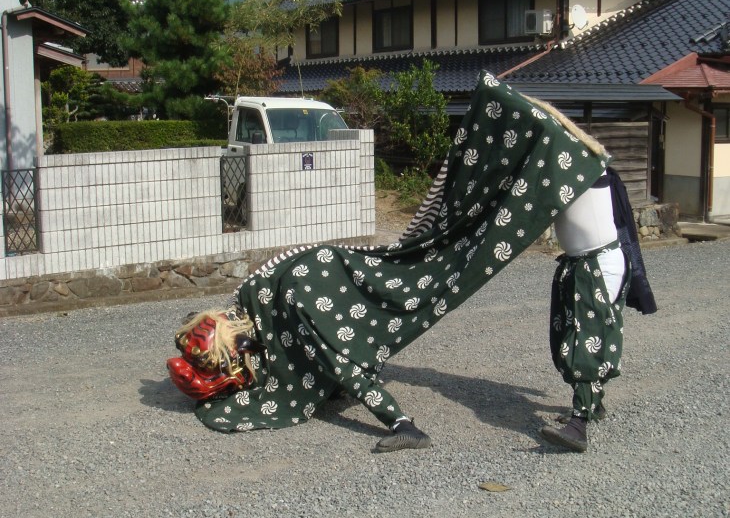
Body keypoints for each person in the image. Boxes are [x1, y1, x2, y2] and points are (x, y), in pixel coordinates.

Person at [167, 71, 610, 452]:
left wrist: (397, 420)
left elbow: (341, 358)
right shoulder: (262, 293)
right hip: (579, 257)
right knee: (570, 330)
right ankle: (592, 401)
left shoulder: (287, 297)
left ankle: (580, 417)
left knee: (578, 327)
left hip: (592, 263)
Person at [541, 167, 656, 453]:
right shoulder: (563, 167)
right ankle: (595, 404)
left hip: (599, 265)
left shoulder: (585, 167)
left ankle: (579, 425)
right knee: (566, 336)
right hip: (580, 264)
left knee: (586, 343)